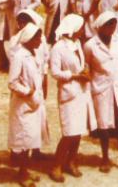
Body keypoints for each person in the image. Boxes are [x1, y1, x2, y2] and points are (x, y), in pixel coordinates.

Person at [84, 12, 118, 173]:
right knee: (103, 125)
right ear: (100, 26)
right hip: (101, 88)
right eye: (108, 24)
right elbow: (87, 67)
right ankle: (105, 157)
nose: (112, 27)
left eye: (114, 24)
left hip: (117, 86)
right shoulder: (91, 45)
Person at [49, 15, 95, 182]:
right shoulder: (58, 48)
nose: (83, 31)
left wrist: (85, 70)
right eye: (81, 27)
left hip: (81, 92)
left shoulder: (77, 44)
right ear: (74, 28)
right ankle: (56, 166)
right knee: (68, 133)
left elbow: (81, 64)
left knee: (78, 132)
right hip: (68, 93)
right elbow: (54, 72)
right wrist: (76, 75)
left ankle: (71, 162)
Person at [8, 24, 47, 187]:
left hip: (34, 103)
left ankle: (25, 170)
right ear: (29, 39)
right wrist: (28, 92)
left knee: (31, 137)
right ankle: (23, 174)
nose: (40, 40)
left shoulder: (34, 54)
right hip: (23, 104)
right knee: (24, 140)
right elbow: (12, 82)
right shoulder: (19, 57)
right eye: (37, 37)